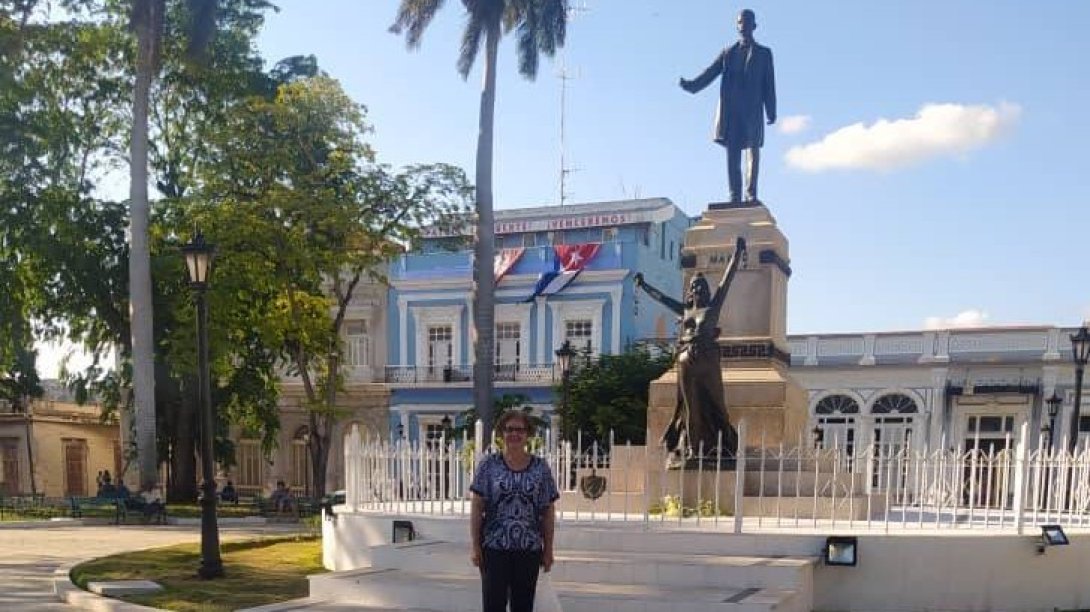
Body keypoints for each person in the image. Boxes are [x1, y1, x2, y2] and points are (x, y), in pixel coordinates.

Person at [635, 237, 747, 462]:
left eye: (702, 286)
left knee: (718, 405)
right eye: (694, 286)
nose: (698, 288)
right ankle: (695, 451)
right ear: (690, 291)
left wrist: (737, 253)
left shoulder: (712, 308)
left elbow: (727, 281)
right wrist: (644, 285)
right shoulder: (685, 311)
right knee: (690, 406)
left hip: (707, 356)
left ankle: (726, 443)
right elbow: (663, 299)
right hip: (686, 358)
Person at [680, 9, 776, 203]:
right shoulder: (728, 53)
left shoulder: (764, 53)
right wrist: (691, 85)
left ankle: (751, 194)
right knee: (732, 155)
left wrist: (771, 109)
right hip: (731, 113)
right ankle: (734, 195)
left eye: (747, 22)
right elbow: (710, 73)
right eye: (740, 22)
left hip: (752, 112)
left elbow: (769, 83)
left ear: (754, 26)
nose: (743, 26)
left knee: (752, 152)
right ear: (737, 26)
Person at [470, 411, 559, 612]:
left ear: (528, 434)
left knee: (523, 605)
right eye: (509, 429)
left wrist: (549, 548)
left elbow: (548, 510)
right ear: (502, 433)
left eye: (520, 429)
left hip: (529, 548)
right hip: (494, 547)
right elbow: (477, 506)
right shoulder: (489, 465)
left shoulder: (540, 467)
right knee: (493, 605)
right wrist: (475, 546)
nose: (514, 434)